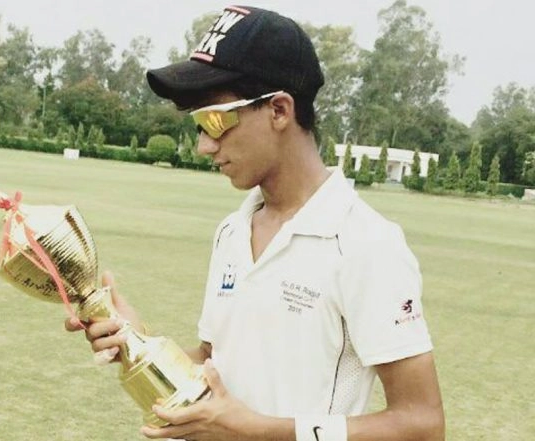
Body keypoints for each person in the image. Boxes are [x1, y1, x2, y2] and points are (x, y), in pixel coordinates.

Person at [66, 5, 444, 441]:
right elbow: (217, 365)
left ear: (279, 110)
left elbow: (422, 423)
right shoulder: (232, 231)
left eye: (213, 120)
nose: (204, 146)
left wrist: (254, 431)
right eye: (197, 125)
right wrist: (137, 343)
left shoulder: (366, 243)